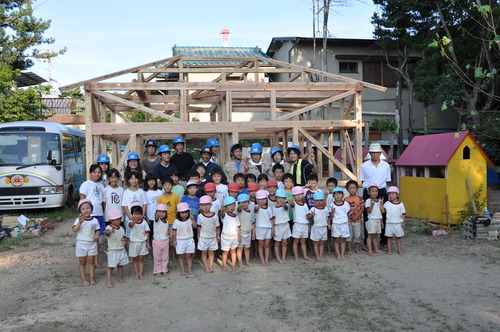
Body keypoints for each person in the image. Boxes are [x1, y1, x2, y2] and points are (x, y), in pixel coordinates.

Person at [360, 143, 391, 250]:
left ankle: (383, 241)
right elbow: (363, 180)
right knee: (367, 216)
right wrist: (369, 192)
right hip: (368, 191)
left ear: (380, 154)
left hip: (381, 191)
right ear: (370, 154)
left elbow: (387, 180)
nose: (375, 155)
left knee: (383, 215)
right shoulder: (364, 165)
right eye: (373, 153)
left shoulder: (386, 165)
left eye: (377, 153)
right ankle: (366, 241)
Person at [79, 164, 105, 268]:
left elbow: (102, 201)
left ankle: (96, 260)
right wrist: (83, 214)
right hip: (89, 215)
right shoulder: (86, 184)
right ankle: (87, 259)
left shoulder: (101, 186)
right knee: (88, 237)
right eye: (94, 172)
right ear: (90, 173)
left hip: (99, 214)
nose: (96, 174)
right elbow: (82, 200)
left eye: (99, 172)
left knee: (96, 238)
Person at [73, 199, 100, 286]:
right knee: (82, 262)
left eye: (88, 208)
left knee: (91, 262)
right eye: (83, 209)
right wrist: (80, 223)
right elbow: (74, 230)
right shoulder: (78, 220)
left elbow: (98, 230)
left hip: (92, 244)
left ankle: (92, 278)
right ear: (80, 211)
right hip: (81, 244)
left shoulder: (94, 220)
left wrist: (96, 235)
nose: (86, 210)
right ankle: (84, 280)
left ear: (91, 209)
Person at [104, 209, 128, 288]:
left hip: (120, 249)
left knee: (120, 265)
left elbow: (123, 236)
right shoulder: (109, 227)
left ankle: (120, 278)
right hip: (112, 250)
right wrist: (110, 231)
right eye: (116, 219)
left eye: (119, 219)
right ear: (111, 220)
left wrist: (124, 240)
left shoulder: (121, 228)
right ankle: (108, 281)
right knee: (111, 266)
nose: (118, 221)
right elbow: (106, 232)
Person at [197, 195, 220, 273]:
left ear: (211, 205)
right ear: (200, 206)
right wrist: (198, 236)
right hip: (203, 237)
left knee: (211, 252)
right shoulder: (200, 216)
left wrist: (218, 235)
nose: (205, 207)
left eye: (207, 205)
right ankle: (206, 267)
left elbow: (217, 226)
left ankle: (210, 266)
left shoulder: (215, 216)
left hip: (212, 237)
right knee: (204, 253)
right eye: (203, 205)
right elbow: (199, 227)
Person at [172, 202, 197, 275]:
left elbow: (195, 225)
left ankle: (190, 270)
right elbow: (174, 231)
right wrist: (174, 240)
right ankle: (182, 270)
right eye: (182, 213)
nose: (184, 214)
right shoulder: (176, 221)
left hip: (189, 239)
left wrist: (192, 220)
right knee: (181, 255)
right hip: (180, 240)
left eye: (186, 212)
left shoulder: (189, 220)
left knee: (189, 255)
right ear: (179, 213)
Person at [122, 171, 147, 240]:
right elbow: (125, 206)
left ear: (138, 180)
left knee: (141, 235)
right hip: (130, 219)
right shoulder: (126, 192)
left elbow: (144, 204)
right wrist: (130, 217)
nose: (134, 180)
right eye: (132, 179)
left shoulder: (141, 191)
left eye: (136, 178)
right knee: (130, 236)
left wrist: (143, 215)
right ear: (128, 180)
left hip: (140, 218)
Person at [381, 186, 406, 255]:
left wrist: (403, 222)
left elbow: (403, 214)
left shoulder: (401, 204)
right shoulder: (387, 203)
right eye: (389, 194)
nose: (390, 196)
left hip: (398, 224)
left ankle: (400, 250)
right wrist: (381, 204)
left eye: (392, 194)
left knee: (398, 238)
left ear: (397, 195)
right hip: (389, 223)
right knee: (389, 238)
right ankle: (389, 251)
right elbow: (383, 211)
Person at [128, 204, 150, 280]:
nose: (137, 216)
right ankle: (136, 274)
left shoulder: (144, 223)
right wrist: (133, 222)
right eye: (135, 214)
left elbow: (147, 233)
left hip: (143, 242)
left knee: (141, 259)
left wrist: (148, 242)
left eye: (139, 214)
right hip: (134, 243)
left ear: (141, 214)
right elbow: (130, 225)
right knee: (135, 259)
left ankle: (140, 273)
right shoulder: (131, 222)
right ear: (132, 215)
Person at [290, 186, 312, 261]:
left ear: (303, 194)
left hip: (305, 225)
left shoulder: (305, 205)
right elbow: (292, 205)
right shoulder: (294, 204)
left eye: (300, 194)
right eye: (296, 195)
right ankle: (296, 256)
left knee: (303, 241)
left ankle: (305, 255)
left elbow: (307, 216)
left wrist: (311, 217)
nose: (298, 196)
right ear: (293, 196)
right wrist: (291, 203)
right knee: (296, 241)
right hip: (297, 225)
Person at [219, 196, 241, 271]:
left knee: (233, 251)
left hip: (234, 237)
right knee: (225, 252)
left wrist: (239, 236)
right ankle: (224, 265)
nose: (232, 207)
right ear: (226, 207)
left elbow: (238, 227)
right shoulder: (225, 215)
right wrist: (222, 209)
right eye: (229, 205)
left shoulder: (236, 216)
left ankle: (233, 265)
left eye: (233, 205)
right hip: (226, 237)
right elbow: (221, 213)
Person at [254, 190, 275, 266]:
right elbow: (255, 210)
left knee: (267, 244)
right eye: (260, 199)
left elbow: (271, 219)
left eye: (263, 199)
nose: (262, 201)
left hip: (268, 228)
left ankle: (266, 260)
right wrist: (257, 208)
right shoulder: (256, 207)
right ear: (257, 200)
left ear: (266, 199)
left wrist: (273, 229)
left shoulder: (269, 208)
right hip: (260, 228)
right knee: (261, 245)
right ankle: (262, 260)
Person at [330, 187, 351, 260]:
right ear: (333, 196)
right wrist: (332, 211)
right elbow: (331, 216)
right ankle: (338, 254)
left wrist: (354, 209)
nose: (338, 196)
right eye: (336, 194)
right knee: (336, 240)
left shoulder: (346, 204)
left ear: (343, 195)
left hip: (344, 224)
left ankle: (342, 253)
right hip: (336, 224)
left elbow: (348, 213)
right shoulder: (332, 204)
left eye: (339, 194)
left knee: (343, 240)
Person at [308, 191, 329, 262]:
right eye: (317, 200)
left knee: (322, 242)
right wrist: (311, 215)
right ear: (314, 201)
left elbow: (328, 217)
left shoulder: (326, 209)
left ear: (323, 200)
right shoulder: (313, 209)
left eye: (321, 200)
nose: (319, 202)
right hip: (316, 228)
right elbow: (308, 217)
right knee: (316, 242)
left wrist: (329, 224)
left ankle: (321, 255)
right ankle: (317, 256)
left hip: (324, 227)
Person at [345, 180, 364, 254]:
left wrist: (356, 216)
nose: (352, 190)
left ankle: (357, 248)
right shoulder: (346, 199)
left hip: (357, 221)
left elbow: (362, 208)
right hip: (348, 221)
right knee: (348, 236)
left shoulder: (360, 198)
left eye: (354, 188)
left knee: (357, 235)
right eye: (350, 188)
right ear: (347, 189)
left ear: (357, 189)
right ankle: (349, 249)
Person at [364, 183, 384, 256]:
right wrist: (372, 205)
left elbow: (382, 212)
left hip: (378, 220)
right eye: (373, 191)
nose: (375, 193)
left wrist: (381, 204)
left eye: (376, 191)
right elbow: (368, 211)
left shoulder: (379, 201)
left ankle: (376, 249)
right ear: (368, 192)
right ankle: (370, 250)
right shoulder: (368, 201)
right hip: (371, 220)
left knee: (375, 236)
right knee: (370, 236)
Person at [236, 194, 254, 268]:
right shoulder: (240, 211)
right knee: (240, 249)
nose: (244, 204)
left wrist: (253, 233)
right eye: (242, 202)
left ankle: (247, 261)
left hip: (248, 233)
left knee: (247, 248)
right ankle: (240, 263)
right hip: (241, 233)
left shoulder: (251, 212)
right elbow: (239, 209)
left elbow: (252, 223)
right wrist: (240, 205)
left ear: (249, 202)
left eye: (245, 202)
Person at [273, 189, 291, 264]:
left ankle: (283, 257)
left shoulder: (286, 206)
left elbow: (286, 207)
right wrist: (273, 229)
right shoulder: (274, 208)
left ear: (285, 199)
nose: (280, 200)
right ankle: (278, 257)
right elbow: (273, 219)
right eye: (279, 198)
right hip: (278, 227)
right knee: (277, 243)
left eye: (282, 198)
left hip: (286, 226)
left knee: (284, 242)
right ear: (276, 198)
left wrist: (284, 204)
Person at [152, 204, 170, 276]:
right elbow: (156, 219)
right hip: (157, 242)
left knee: (165, 257)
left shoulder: (167, 221)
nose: (161, 213)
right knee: (157, 258)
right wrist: (156, 216)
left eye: (163, 212)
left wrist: (169, 233)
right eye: (159, 211)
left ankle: (164, 269)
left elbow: (165, 230)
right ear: (156, 212)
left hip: (165, 241)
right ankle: (157, 270)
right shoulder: (156, 220)